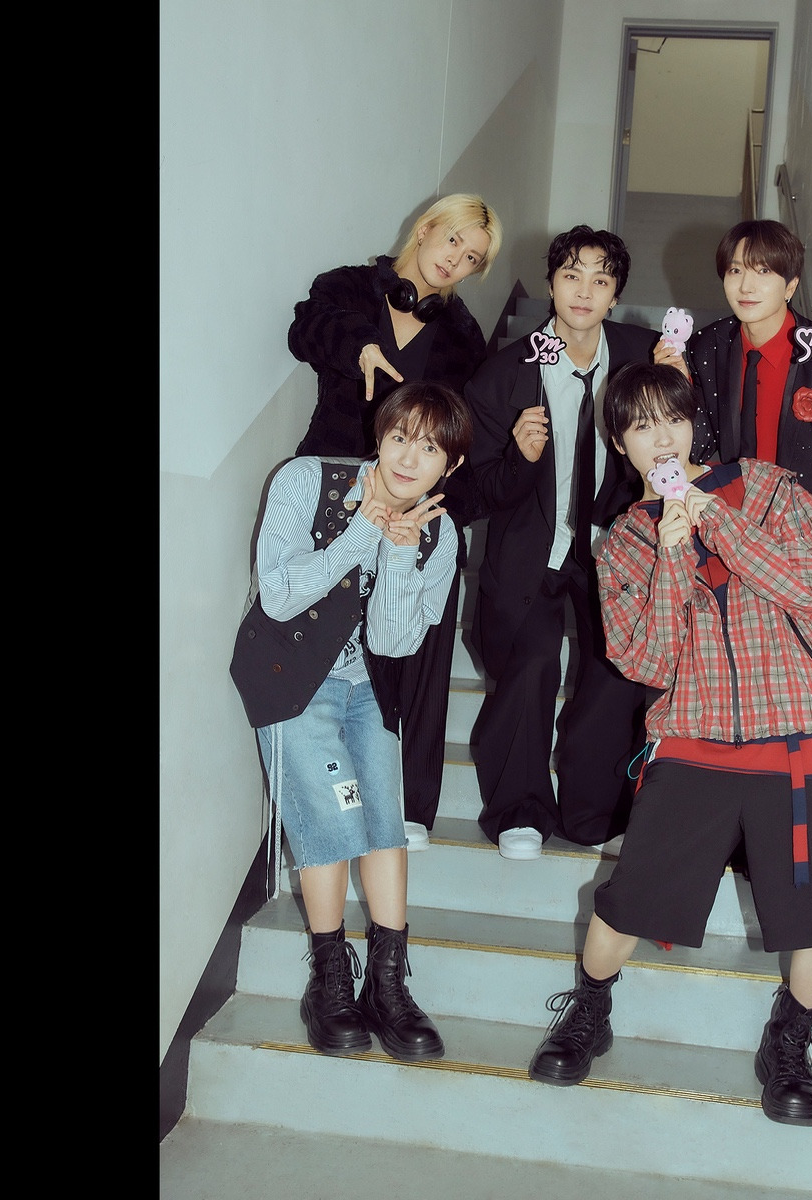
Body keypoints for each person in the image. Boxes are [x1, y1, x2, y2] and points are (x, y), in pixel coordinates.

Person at [525, 362, 812, 1129]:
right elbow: (646, 661)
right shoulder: (625, 541)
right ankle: (590, 1007)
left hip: (807, 730)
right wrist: (673, 554)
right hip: (694, 737)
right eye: (640, 425)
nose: (661, 438)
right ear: (620, 445)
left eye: (672, 419)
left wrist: (717, 521)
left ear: (693, 426)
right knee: (626, 907)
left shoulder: (772, 489)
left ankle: (789, 1036)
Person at [230, 381, 473, 1062]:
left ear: (451, 465)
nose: (408, 459)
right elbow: (279, 596)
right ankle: (330, 982)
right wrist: (363, 530)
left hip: (369, 685)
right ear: (380, 435)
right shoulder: (307, 481)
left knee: (385, 824)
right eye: (399, 438)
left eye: (430, 449)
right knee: (335, 823)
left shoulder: (441, 534)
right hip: (293, 677)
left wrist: (397, 551)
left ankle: (388, 987)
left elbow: (396, 643)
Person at [464, 225, 688, 860]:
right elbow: (477, 490)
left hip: (616, 545)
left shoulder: (645, 358)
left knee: (614, 673)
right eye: (571, 276)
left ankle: (595, 810)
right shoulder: (504, 375)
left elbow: (680, 436)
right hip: (534, 548)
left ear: (615, 293)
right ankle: (519, 810)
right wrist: (519, 456)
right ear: (551, 284)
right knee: (532, 661)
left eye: (600, 279)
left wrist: (681, 382)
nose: (584, 291)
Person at [287, 193, 503, 851]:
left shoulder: (463, 336)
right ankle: (324, 798)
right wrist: (361, 348)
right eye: (453, 242)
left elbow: (462, 430)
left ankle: (410, 804)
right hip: (332, 491)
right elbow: (305, 330)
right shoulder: (348, 288)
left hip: (409, 504)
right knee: (321, 648)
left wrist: (443, 512)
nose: (456, 262)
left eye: (472, 259)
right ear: (426, 228)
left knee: (417, 632)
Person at [686, 219, 812, 559]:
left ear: (791, 285)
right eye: (735, 270)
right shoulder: (709, 347)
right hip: (739, 529)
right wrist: (676, 392)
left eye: (763, 271)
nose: (746, 286)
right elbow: (698, 446)